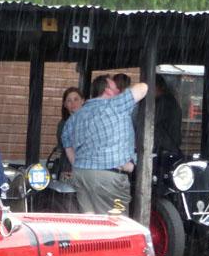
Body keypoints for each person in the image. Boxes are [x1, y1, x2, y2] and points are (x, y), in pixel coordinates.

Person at [61, 73, 149, 214]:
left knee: (92, 225)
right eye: (115, 86)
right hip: (109, 178)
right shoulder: (115, 105)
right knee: (117, 225)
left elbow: (67, 143)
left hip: (82, 175)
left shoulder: (77, 115)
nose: (118, 90)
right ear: (108, 90)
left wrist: (78, 164)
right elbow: (143, 88)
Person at [55, 87, 83, 179]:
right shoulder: (63, 125)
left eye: (76, 99)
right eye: (69, 101)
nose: (73, 103)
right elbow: (64, 149)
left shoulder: (91, 121)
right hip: (68, 168)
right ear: (65, 105)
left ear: (82, 101)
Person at [154, 78, 183, 155]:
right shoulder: (169, 100)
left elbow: (152, 123)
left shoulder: (164, 101)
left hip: (165, 147)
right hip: (169, 146)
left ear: (159, 87)